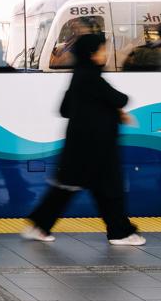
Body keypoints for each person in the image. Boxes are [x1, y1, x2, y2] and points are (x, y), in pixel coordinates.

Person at [22, 33, 146, 246]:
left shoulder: (79, 76)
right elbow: (120, 98)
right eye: (102, 49)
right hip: (96, 148)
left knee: (68, 189)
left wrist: (104, 111)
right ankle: (120, 232)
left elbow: (65, 109)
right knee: (109, 190)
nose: (106, 53)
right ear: (91, 54)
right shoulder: (91, 77)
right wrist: (114, 110)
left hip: (81, 147)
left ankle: (39, 226)